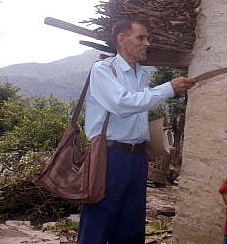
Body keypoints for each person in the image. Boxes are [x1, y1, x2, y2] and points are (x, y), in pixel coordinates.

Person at [77, 17, 197, 244]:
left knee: (131, 224)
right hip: (109, 156)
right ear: (121, 39)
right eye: (141, 37)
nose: (147, 43)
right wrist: (168, 88)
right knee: (99, 222)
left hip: (136, 158)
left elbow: (137, 110)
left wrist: (145, 142)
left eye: (148, 38)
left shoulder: (141, 74)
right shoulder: (104, 69)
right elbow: (123, 104)